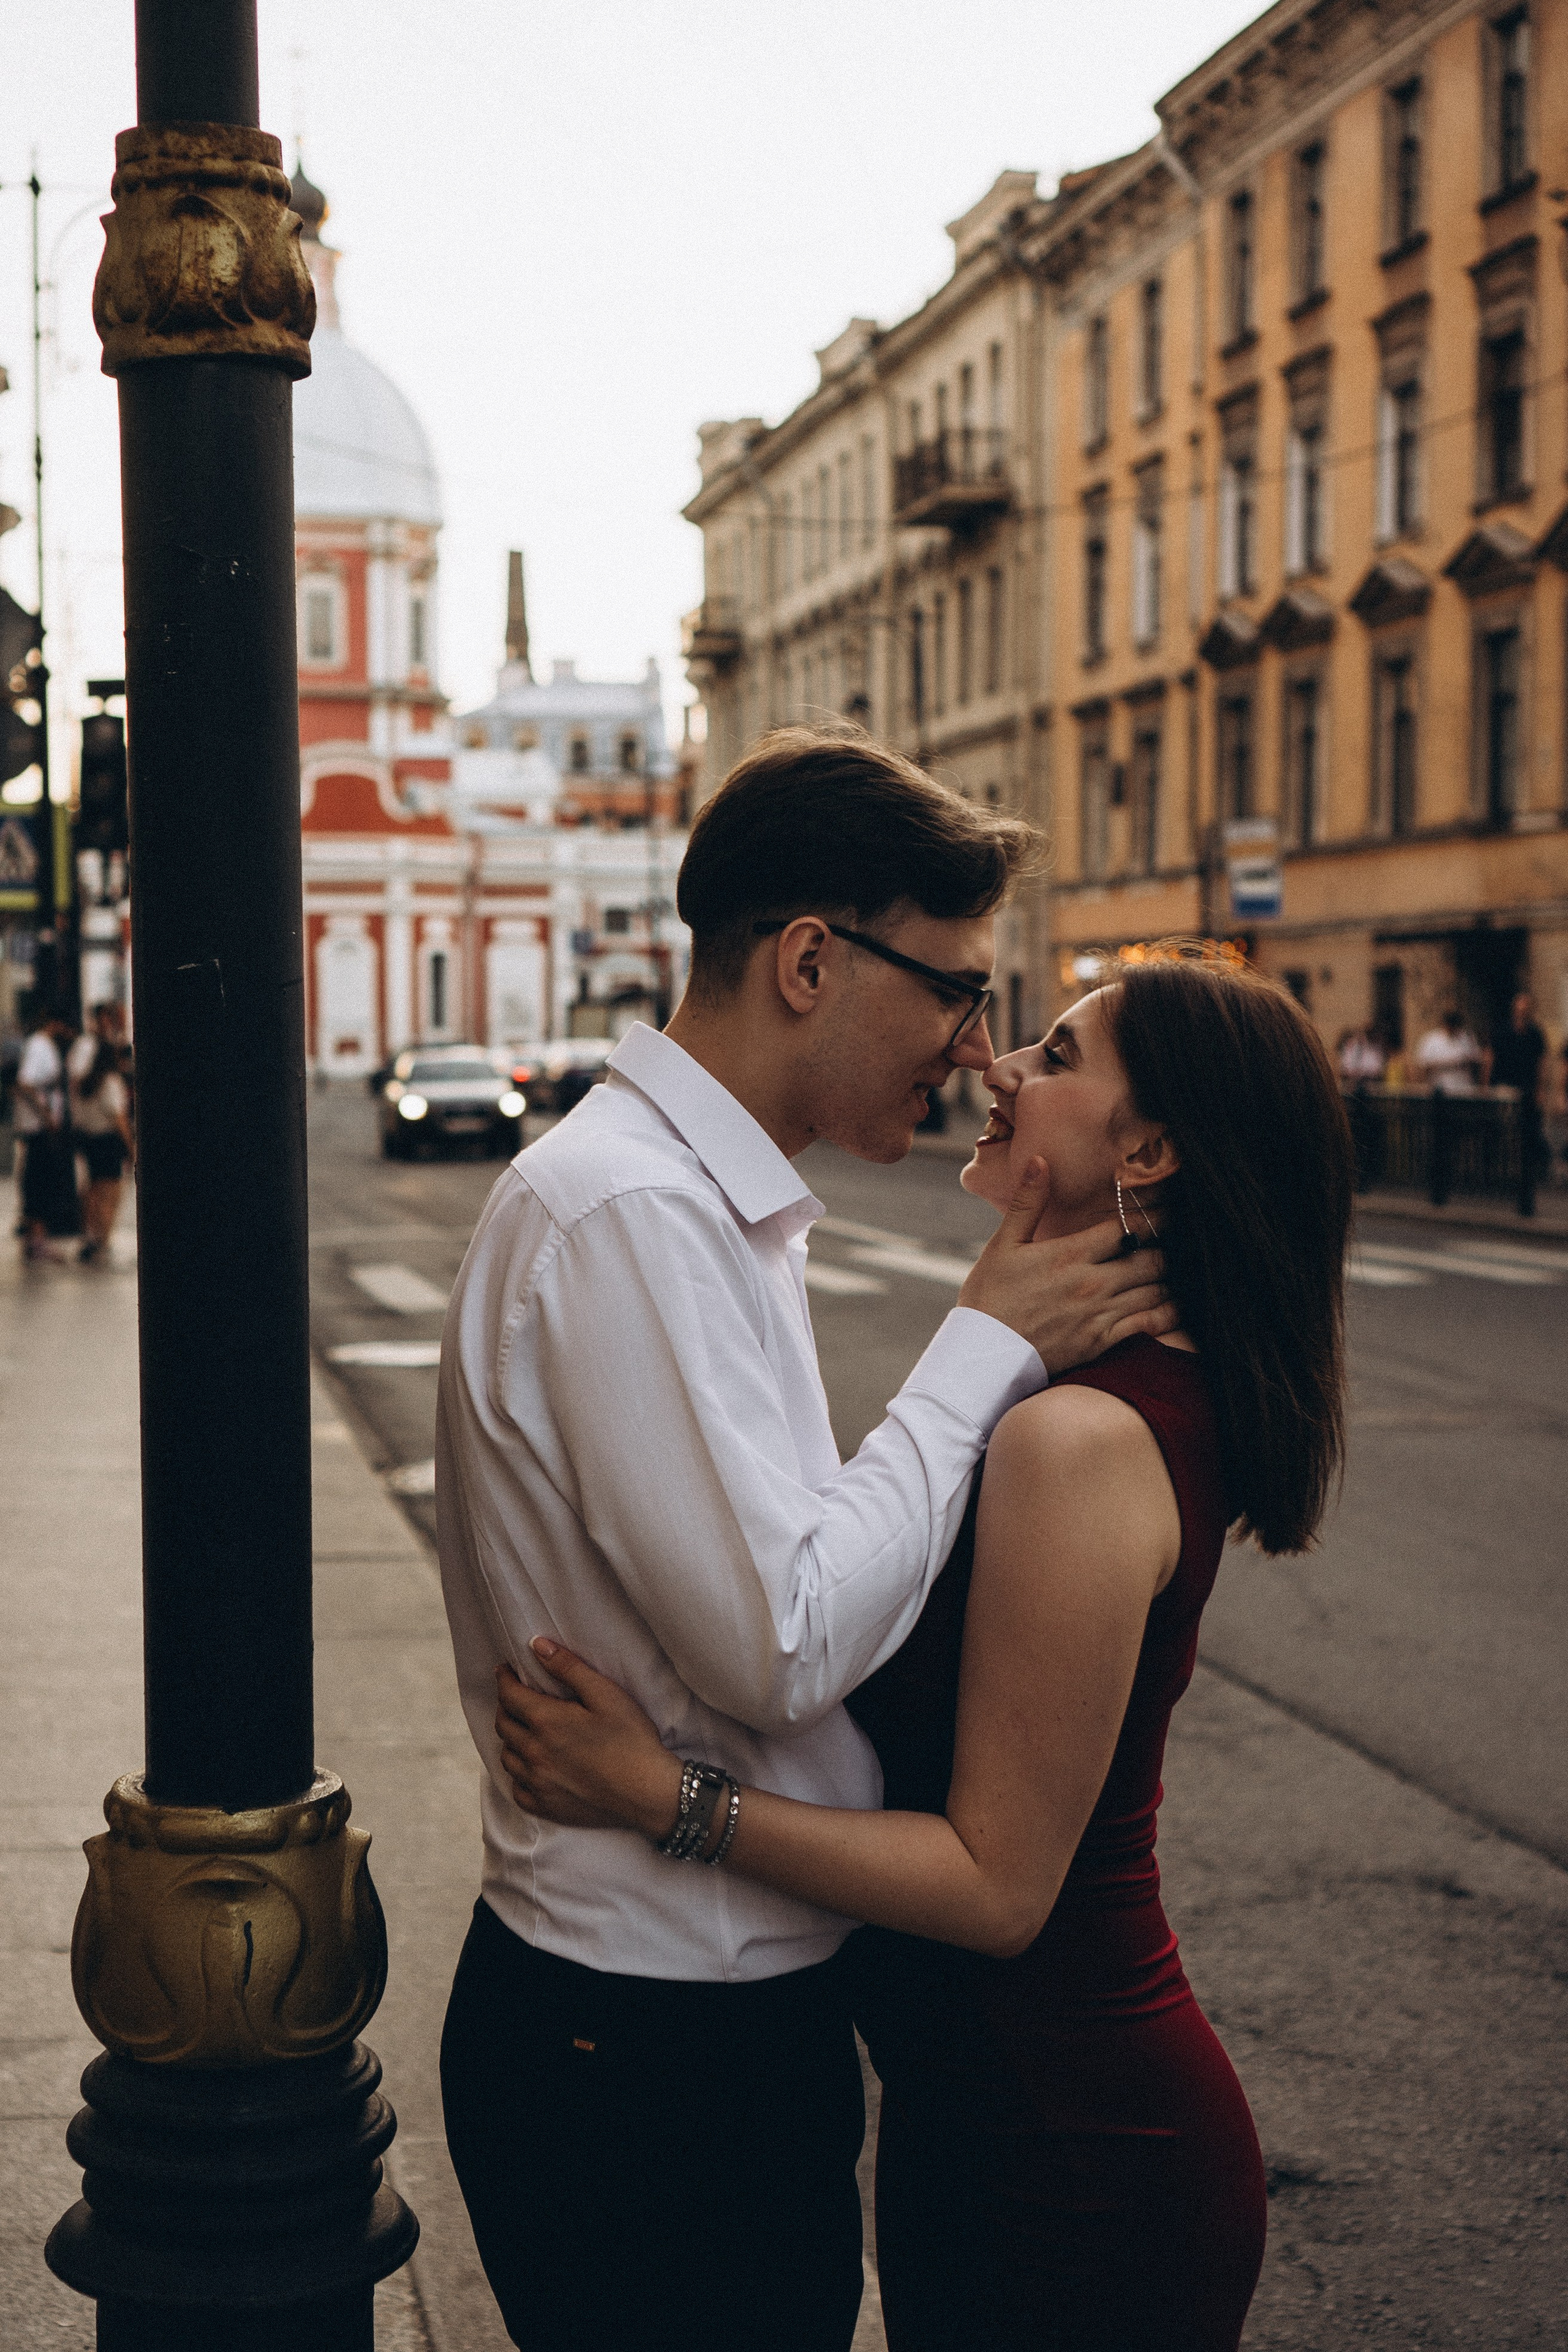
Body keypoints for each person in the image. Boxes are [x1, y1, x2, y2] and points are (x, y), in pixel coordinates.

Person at [496, 948, 1355, 2352]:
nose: (996, 1065)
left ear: (1146, 1150)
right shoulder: (1069, 1388)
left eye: (1056, 1055)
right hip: (984, 2120)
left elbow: (994, 1886)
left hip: (1071, 2152)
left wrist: (664, 1797)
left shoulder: (1075, 1440)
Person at [434, 729, 1175, 2352]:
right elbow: (784, 1643)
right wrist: (980, 1348)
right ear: (810, 963)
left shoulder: (701, 1204)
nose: (975, 1051)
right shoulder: (634, 1211)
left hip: (687, 2023)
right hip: (649, 2046)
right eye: (956, 991)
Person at [69, 1011, 134, 1261]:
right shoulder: (111, 1082)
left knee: (93, 1191)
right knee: (111, 1194)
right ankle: (103, 1241)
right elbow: (119, 1119)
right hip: (109, 1142)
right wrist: (131, 1147)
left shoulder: (86, 1085)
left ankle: (91, 1237)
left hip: (89, 1140)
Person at [13, 1012, 78, 1260]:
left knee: (37, 1178)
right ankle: (37, 1238)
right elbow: (26, 1082)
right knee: (40, 1180)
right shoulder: (40, 1045)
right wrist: (46, 1115)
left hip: (39, 1125)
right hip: (39, 1128)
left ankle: (35, 1237)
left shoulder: (40, 1044)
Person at [1487, 990, 1549, 1183]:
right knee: (1504, 1128)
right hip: (1504, 1086)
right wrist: (1487, 1085)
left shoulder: (1536, 1034)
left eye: (1526, 1010)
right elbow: (1490, 1057)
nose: (1523, 1013)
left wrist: (1540, 1090)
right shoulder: (1502, 1031)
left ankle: (1523, 1170)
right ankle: (1501, 1168)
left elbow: (1541, 1063)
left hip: (1527, 1088)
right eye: (1520, 1009)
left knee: (1528, 1129)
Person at [1414, 1006, 1482, 1095]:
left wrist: (1465, 1061)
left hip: (1464, 1089)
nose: (1453, 1029)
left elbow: (1477, 1060)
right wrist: (1448, 1063)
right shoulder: (1432, 1039)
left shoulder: (1467, 1038)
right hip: (1440, 1089)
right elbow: (1422, 1064)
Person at [1336, 1022, 1385, 1087]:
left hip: (1368, 1082)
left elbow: (1377, 1068)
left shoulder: (1372, 1052)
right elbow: (1344, 1066)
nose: (1360, 1040)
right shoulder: (1348, 1051)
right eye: (1357, 1037)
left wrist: (1363, 1072)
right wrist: (1353, 1072)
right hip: (1351, 1082)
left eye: (1362, 1037)